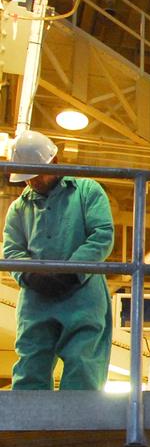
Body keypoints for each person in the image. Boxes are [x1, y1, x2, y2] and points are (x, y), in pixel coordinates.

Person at [3, 130, 114, 390]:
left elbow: (102, 235)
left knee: (82, 370)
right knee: (30, 371)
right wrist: (30, 275)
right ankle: (29, 419)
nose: (32, 182)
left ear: (54, 161)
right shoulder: (18, 208)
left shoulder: (87, 191)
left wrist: (72, 271)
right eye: (27, 177)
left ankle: (77, 419)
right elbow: (12, 251)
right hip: (36, 300)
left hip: (82, 296)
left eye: (37, 174)